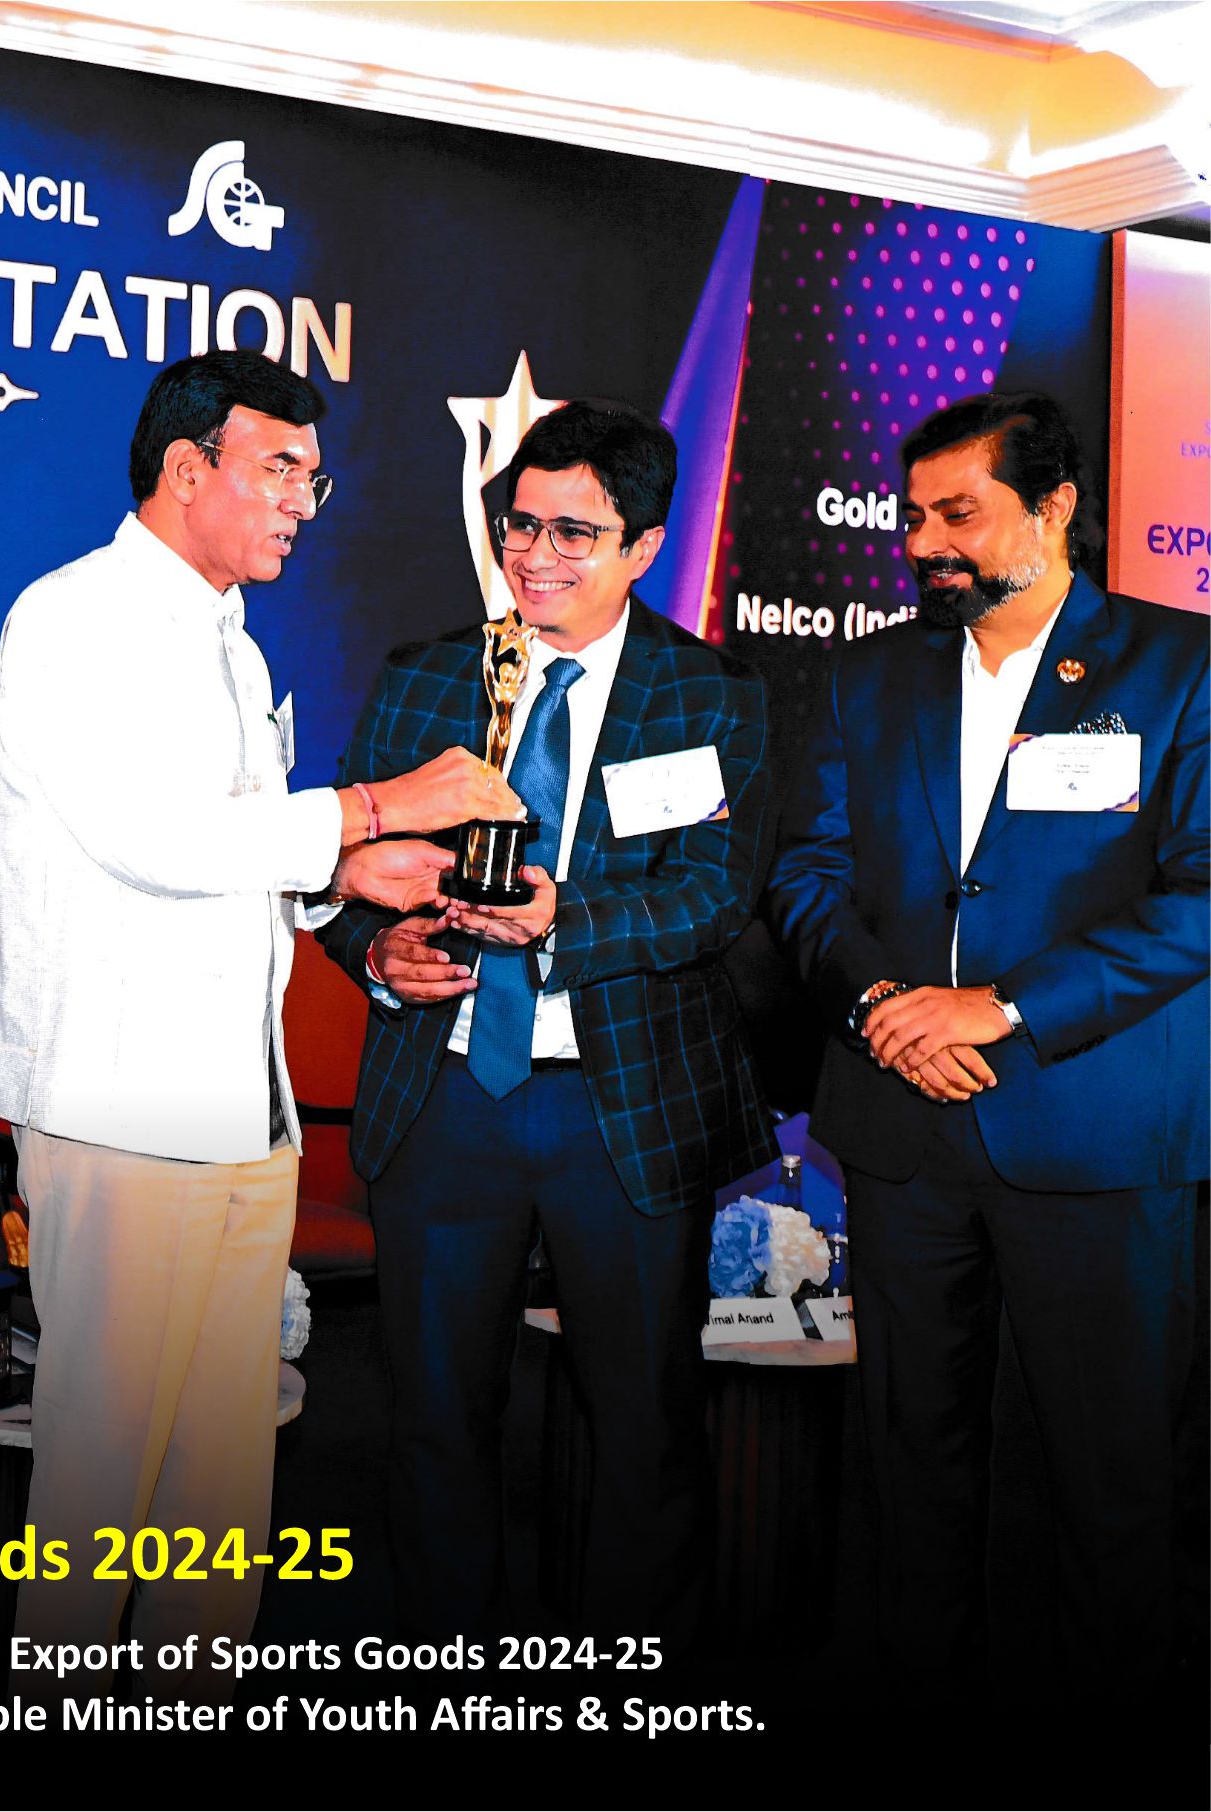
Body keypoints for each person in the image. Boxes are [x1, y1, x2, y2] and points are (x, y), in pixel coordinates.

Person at [0, 350, 492, 1694]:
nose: (304, 504)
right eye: (281, 471)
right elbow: (151, 837)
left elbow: (234, 853)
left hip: (241, 1113)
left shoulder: (231, 635)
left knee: (218, 1504)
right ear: (185, 468)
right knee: (100, 1494)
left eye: (315, 479)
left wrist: (349, 879)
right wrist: (373, 809)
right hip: (122, 1110)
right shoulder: (75, 617)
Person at [767, 391, 1206, 1703]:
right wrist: (880, 1007)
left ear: (1055, 506)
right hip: (903, 1132)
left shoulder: (1181, 667)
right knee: (911, 1463)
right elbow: (806, 874)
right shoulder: (866, 675)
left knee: (1115, 1478)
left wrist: (1001, 1006)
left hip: (1096, 1129)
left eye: (958, 513)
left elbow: (1200, 893)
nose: (924, 544)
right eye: (913, 516)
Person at [318, 399, 775, 1648]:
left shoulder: (712, 693)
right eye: (519, 524)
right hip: (443, 1100)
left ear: (645, 547)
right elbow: (344, 878)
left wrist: (563, 918)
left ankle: (628, 1680)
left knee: (641, 1425)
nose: (534, 555)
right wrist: (377, 952)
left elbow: (713, 894)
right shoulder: (428, 674)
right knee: (432, 1420)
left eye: (574, 533)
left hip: (620, 1110)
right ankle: (450, 1675)